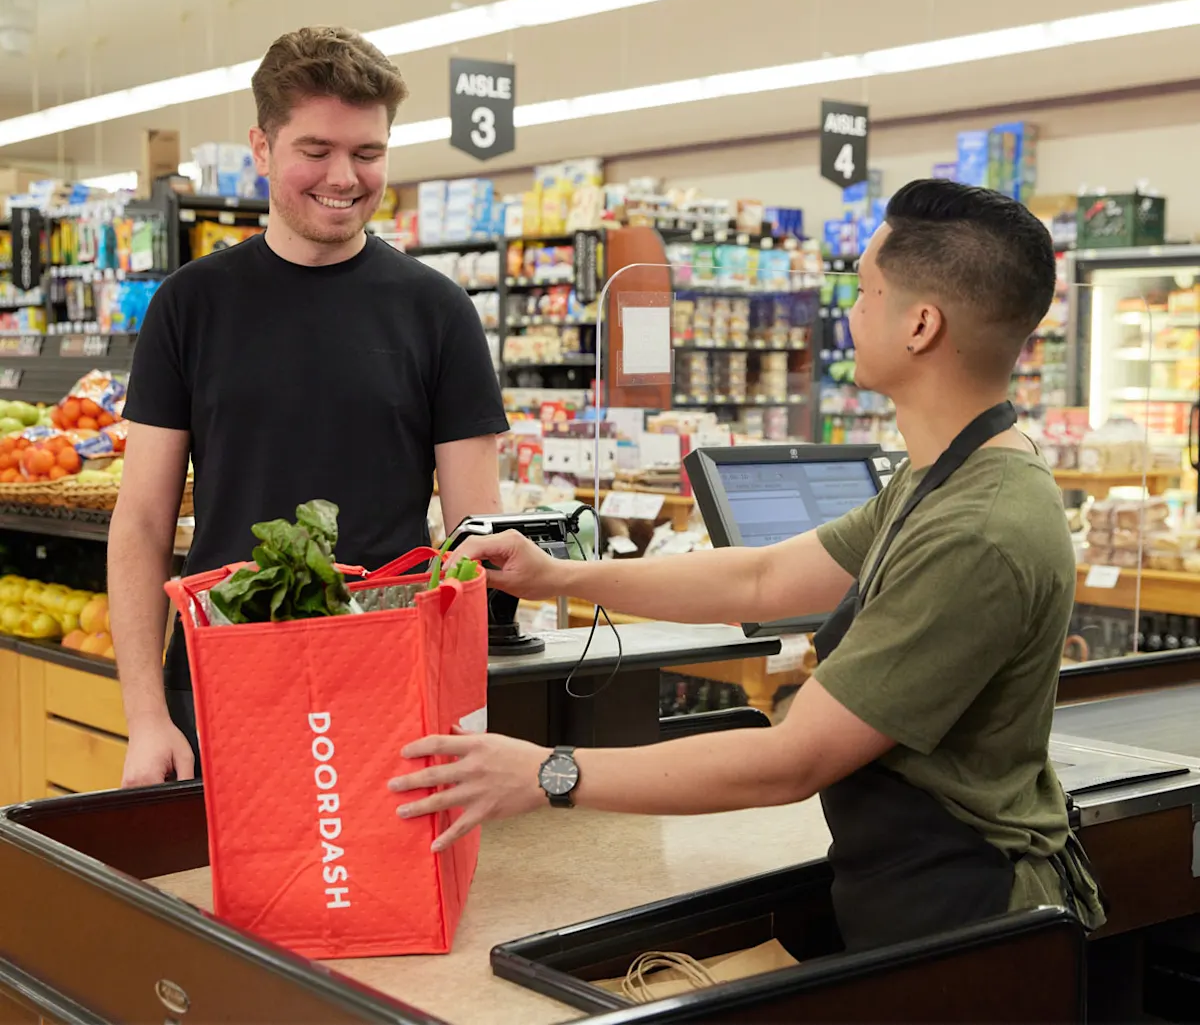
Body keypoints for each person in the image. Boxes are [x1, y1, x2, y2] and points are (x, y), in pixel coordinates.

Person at [388, 179, 1108, 952]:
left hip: (971, 922)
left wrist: (546, 772)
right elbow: (760, 579)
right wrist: (558, 575)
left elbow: (788, 760)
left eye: (865, 291)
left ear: (921, 325)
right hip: (912, 890)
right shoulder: (946, 476)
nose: (851, 311)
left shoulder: (978, 530)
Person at [112, 25, 509, 788]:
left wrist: (461, 708)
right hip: (218, 675)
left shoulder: (440, 312)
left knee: (376, 904)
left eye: (368, 153)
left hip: (386, 680)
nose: (345, 176)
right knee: (210, 903)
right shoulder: (188, 305)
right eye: (317, 151)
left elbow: (472, 538)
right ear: (262, 150)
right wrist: (145, 717)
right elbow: (140, 524)